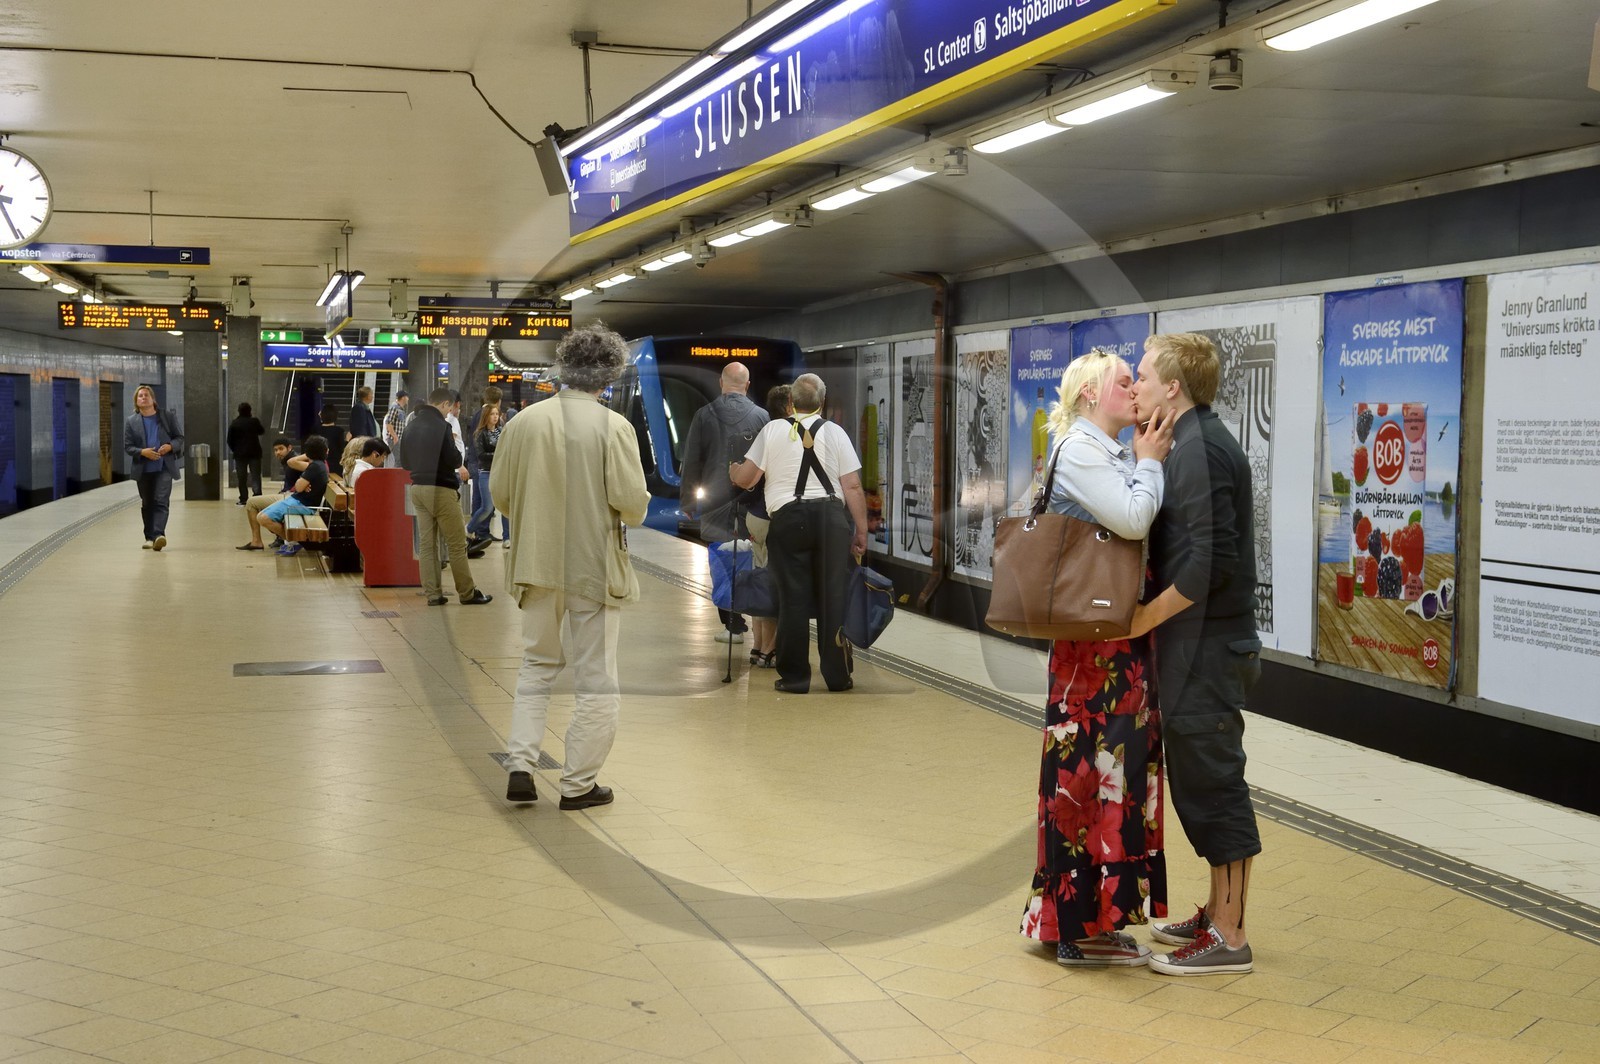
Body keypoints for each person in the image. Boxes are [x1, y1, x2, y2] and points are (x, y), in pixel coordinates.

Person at [1016, 350, 1174, 968]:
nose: (1134, 389)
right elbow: (1133, 520)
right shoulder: (1081, 449)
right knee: (1081, 781)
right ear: (1087, 395)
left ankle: (1100, 918)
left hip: (1117, 645)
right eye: (1123, 382)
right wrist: (1152, 463)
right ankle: (1066, 924)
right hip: (1093, 654)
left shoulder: (1105, 450)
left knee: (1119, 781)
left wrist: (1139, 459)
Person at [1128, 332, 1263, 977]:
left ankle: (1230, 937)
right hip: (1200, 644)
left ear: (1173, 386)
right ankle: (1216, 912)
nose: (1136, 383)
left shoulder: (1200, 448)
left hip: (1207, 648)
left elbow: (1211, 561)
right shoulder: (1189, 440)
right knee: (1199, 779)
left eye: (1144, 374)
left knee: (1214, 782)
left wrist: (1145, 618)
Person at [489, 323, 649, 810]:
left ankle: (520, 764)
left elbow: (501, 496)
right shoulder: (613, 426)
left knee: (536, 667)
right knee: (596, 677)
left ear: (564, 367)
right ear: (608, 376)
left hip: (535, 563)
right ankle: (578, 784)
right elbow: (632, 505)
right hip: (594, 569)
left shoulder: (522, 423)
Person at [731, 373, 868, 694]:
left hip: (789, 520)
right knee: (832, 597)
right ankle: (837, 677)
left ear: (790, 402)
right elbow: (852, 485)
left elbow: (748, 479)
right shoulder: (836, 433)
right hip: (831, 520)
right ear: (822, 403)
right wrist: (860, 530)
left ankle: (794, 678)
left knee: (791, 597)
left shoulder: (773, 429)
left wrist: (733, 470)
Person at [680, 362, 769, 644]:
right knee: (752, 559)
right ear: (748, 383)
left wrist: (688, 501)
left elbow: (692, 459)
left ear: (721, 383)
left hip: (715, 500)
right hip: (754, 501)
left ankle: (732, 624)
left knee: (720, 560)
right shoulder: (762, 417)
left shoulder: (704, 415)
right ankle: (756, 621)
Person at [400, 387, 492, 607]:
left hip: (418, 489)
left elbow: (405, 462)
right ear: (443, 404)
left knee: (427, 545)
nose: (449, 411)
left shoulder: (410, 426)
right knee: (456, 543)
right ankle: (467, 593)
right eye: (449, 407)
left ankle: (433, 594)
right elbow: (454, 459)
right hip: (440, 489)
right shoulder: (443, 427)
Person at [742, 385, 792, 669]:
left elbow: (747, 478)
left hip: (755, 518)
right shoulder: (786, 435)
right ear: (789, 407)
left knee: (761, 579)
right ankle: (770, 649)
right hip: (775, 518)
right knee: (776, 585)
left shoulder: (764, 433)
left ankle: (758, 646)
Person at [122, 384, 184, 551]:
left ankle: (158, 535)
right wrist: (143, 452)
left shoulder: (166, 417)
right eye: (140, 396)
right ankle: (149, 537)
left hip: (164, 466)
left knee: (161, 500)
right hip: (143, 469)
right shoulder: (131, 421)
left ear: (152, 399)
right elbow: (128, 447)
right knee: (147, 503)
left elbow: (179, 438)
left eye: (146, 395)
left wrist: (170, 446)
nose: (143, 397)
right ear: (136, 401)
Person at [256, 435, 329, 557]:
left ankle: (294, 541)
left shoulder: (315, 466)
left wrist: (301, 482)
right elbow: (299, 483)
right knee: (261, 516)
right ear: (324, 451)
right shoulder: (316, 465)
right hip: (298, 501)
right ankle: (292, 541)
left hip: (303, 505)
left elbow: (299, 487)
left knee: (263, 518)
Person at [239, 437, 309, 550]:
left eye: (281, 449)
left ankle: (287, 539)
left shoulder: (294, 461)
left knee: (252, 503)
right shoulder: (289, 460)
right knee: (254, 504)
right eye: (275, 450)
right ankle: (276, 538)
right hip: (289, 495)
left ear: (289, 448)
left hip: (293, 497)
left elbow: (307, 475)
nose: (278, 452)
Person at [469, 404, 510, 543]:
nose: (495, 417)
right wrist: (498, 454)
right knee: (487, 507)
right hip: (486, 472)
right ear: (486, 416)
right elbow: (480, 455)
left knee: (505, 504)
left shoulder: (501, 431)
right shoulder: (480, 433)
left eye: (497, 414)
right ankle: (469, 529)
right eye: (492, 414)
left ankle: (507, 538)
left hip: (501, 471)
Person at [225, 401, 265, 506]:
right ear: (250, 411)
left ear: (239, 411)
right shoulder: (254, 422)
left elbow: (229, 440)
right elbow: (262, 431)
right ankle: (257, 497)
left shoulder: (234, 423)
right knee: (255, 476)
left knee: (241, 477)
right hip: (254, 453)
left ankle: (243, 498)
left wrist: (235, 449)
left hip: (240, 454)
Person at [383, 389, 409, 466]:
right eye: (407, 397)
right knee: (396, 460)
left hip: (398, 438)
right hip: (394, 439)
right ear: (403, 397)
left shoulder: (400, 409)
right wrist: (395, 437)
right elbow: (389, 423)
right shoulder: (395, 408)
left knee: (397, 460)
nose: (408, 399)